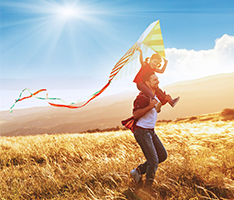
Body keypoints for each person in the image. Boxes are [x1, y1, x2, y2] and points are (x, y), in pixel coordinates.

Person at [122, 71, 168, 197]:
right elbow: (135, 114)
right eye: (155, 79)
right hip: (142, 131)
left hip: (151, 131)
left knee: (162, 155)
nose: (157, 81)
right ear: (147, 83)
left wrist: (164, 101)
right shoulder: (142, 97)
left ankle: (137, 171)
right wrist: (150, 106)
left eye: (157, 78)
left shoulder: (155, 95)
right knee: (153, 161)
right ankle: (147, 190)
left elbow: (157, 107)